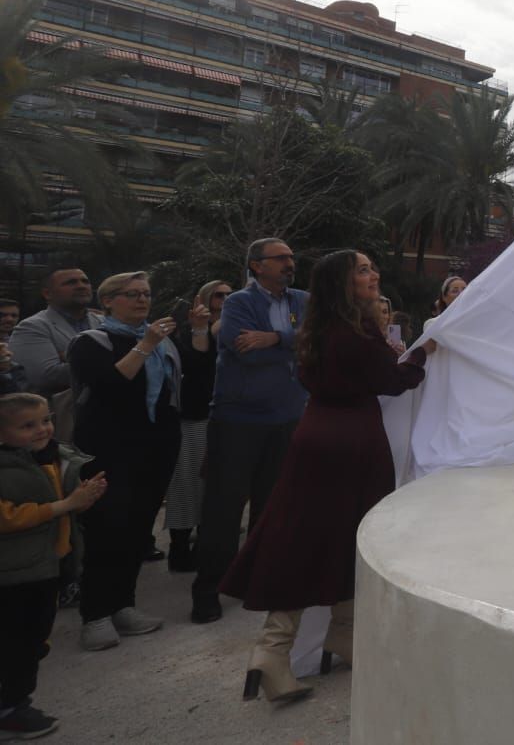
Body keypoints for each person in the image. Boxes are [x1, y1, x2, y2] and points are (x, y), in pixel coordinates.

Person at [221, 250, 432, 702]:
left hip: (319, 433)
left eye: (373, 267)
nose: (373, 274)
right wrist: (423, 355)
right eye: (362, 269)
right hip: (350, 442)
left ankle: (321, 638)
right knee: (331, 536)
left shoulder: (319, 328)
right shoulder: (353, 332)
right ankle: (278, 649)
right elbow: (394, 381)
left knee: (321, 535)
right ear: (341, 282)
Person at [191, 239, 308, 624]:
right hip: (239, 419)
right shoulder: (240, 303)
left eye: (291, 257)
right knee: (224, 507)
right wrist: (291, 345)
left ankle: (255, 579)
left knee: (270, 505)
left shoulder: (302, 301)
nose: (290, 263)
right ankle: (208, 589)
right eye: (281, 258)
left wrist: (275, 338)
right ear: (257, 266)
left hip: (286, 416)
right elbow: (243, 350)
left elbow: (315, 342)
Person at [67, 272, 181, 652]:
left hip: (155, 447)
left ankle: (124, 605)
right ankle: (95, 613)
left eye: (146, 294)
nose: (142, 301)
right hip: (108, 448)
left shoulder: (160, 340)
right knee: (108, 527)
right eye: (131, 294)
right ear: (109, 302)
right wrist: (146, 345)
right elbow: (113, 386)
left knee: (138, 528)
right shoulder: (91, 342)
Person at [0, 392, 104, 740]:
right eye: (26, 425)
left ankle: (16, 700)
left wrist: (83, 499)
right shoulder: (6, 468)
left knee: (35, 639)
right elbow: (8, 517)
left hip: (51, 566)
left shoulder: (56, 457)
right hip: (15, 574)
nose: (41, 429)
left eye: (45, 420)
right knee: (16, 642)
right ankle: (12, 708)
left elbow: (66, 508)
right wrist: (64, 506)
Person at [165, 281, 231, 574]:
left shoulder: (239, 326)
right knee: (188, 483)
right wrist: (202, 328)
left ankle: (207, 547)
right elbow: (196, 364)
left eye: (230, 295)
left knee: (216, 486)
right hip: (194, 415)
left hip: (229, 414)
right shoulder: (188, 329)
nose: (225, 300)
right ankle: (178, 549)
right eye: (219, 295)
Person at [8, 270, 104, 445]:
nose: (81, 286)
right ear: (47, 293)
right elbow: (46, 377)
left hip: (105, 422)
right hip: (62, 428)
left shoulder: (103, 322)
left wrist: (70, 358)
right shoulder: (32, 327)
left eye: (85, 281)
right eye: (71, 282)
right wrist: (107, 361)